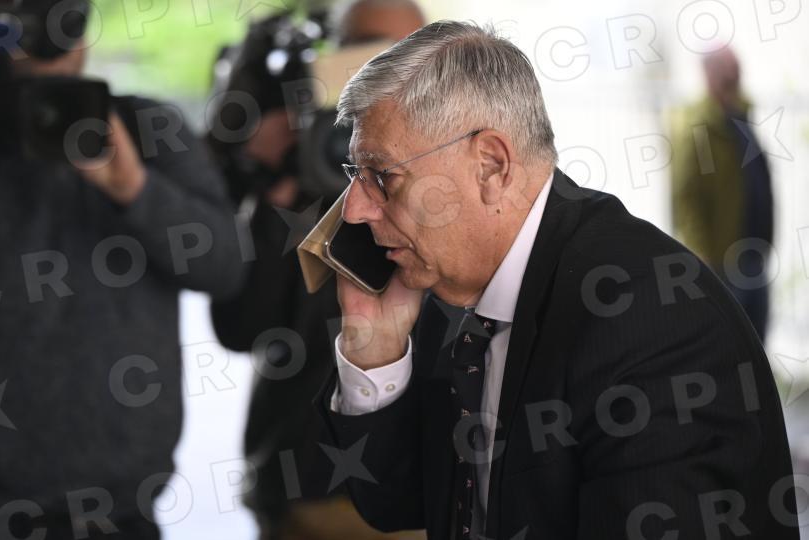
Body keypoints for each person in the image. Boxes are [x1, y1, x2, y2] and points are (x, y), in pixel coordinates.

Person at [315, 21, 797, 539]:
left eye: (382, 176)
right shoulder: (446, 297)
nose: (355, 209)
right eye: (355, 175)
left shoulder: (652, 323)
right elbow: (399, 504)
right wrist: (376, 348)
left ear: (491, 165)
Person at [0, 2, 245, 538]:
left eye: (62, 22)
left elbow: (224, 267)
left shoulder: (146, 128)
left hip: (122, 508)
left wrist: (134, 187)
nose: (45, 43)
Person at [206, 1, 425, 538]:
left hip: (419, 491)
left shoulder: (452, 175)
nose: (380, 66)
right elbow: (240, 327)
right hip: (301, 483)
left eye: (403, 53)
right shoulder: (301, 168)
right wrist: (275, 186)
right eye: (361, 48)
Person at [671, 48, 774, 340]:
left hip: (754, 252)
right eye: (728, 71)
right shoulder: (699, 127)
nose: (735, 77)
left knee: (756, 342)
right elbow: (686, 196)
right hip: (722, 261)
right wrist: (698, 252)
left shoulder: (740, 116)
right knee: (728, 341)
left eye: (737, 71)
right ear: (709, 75)